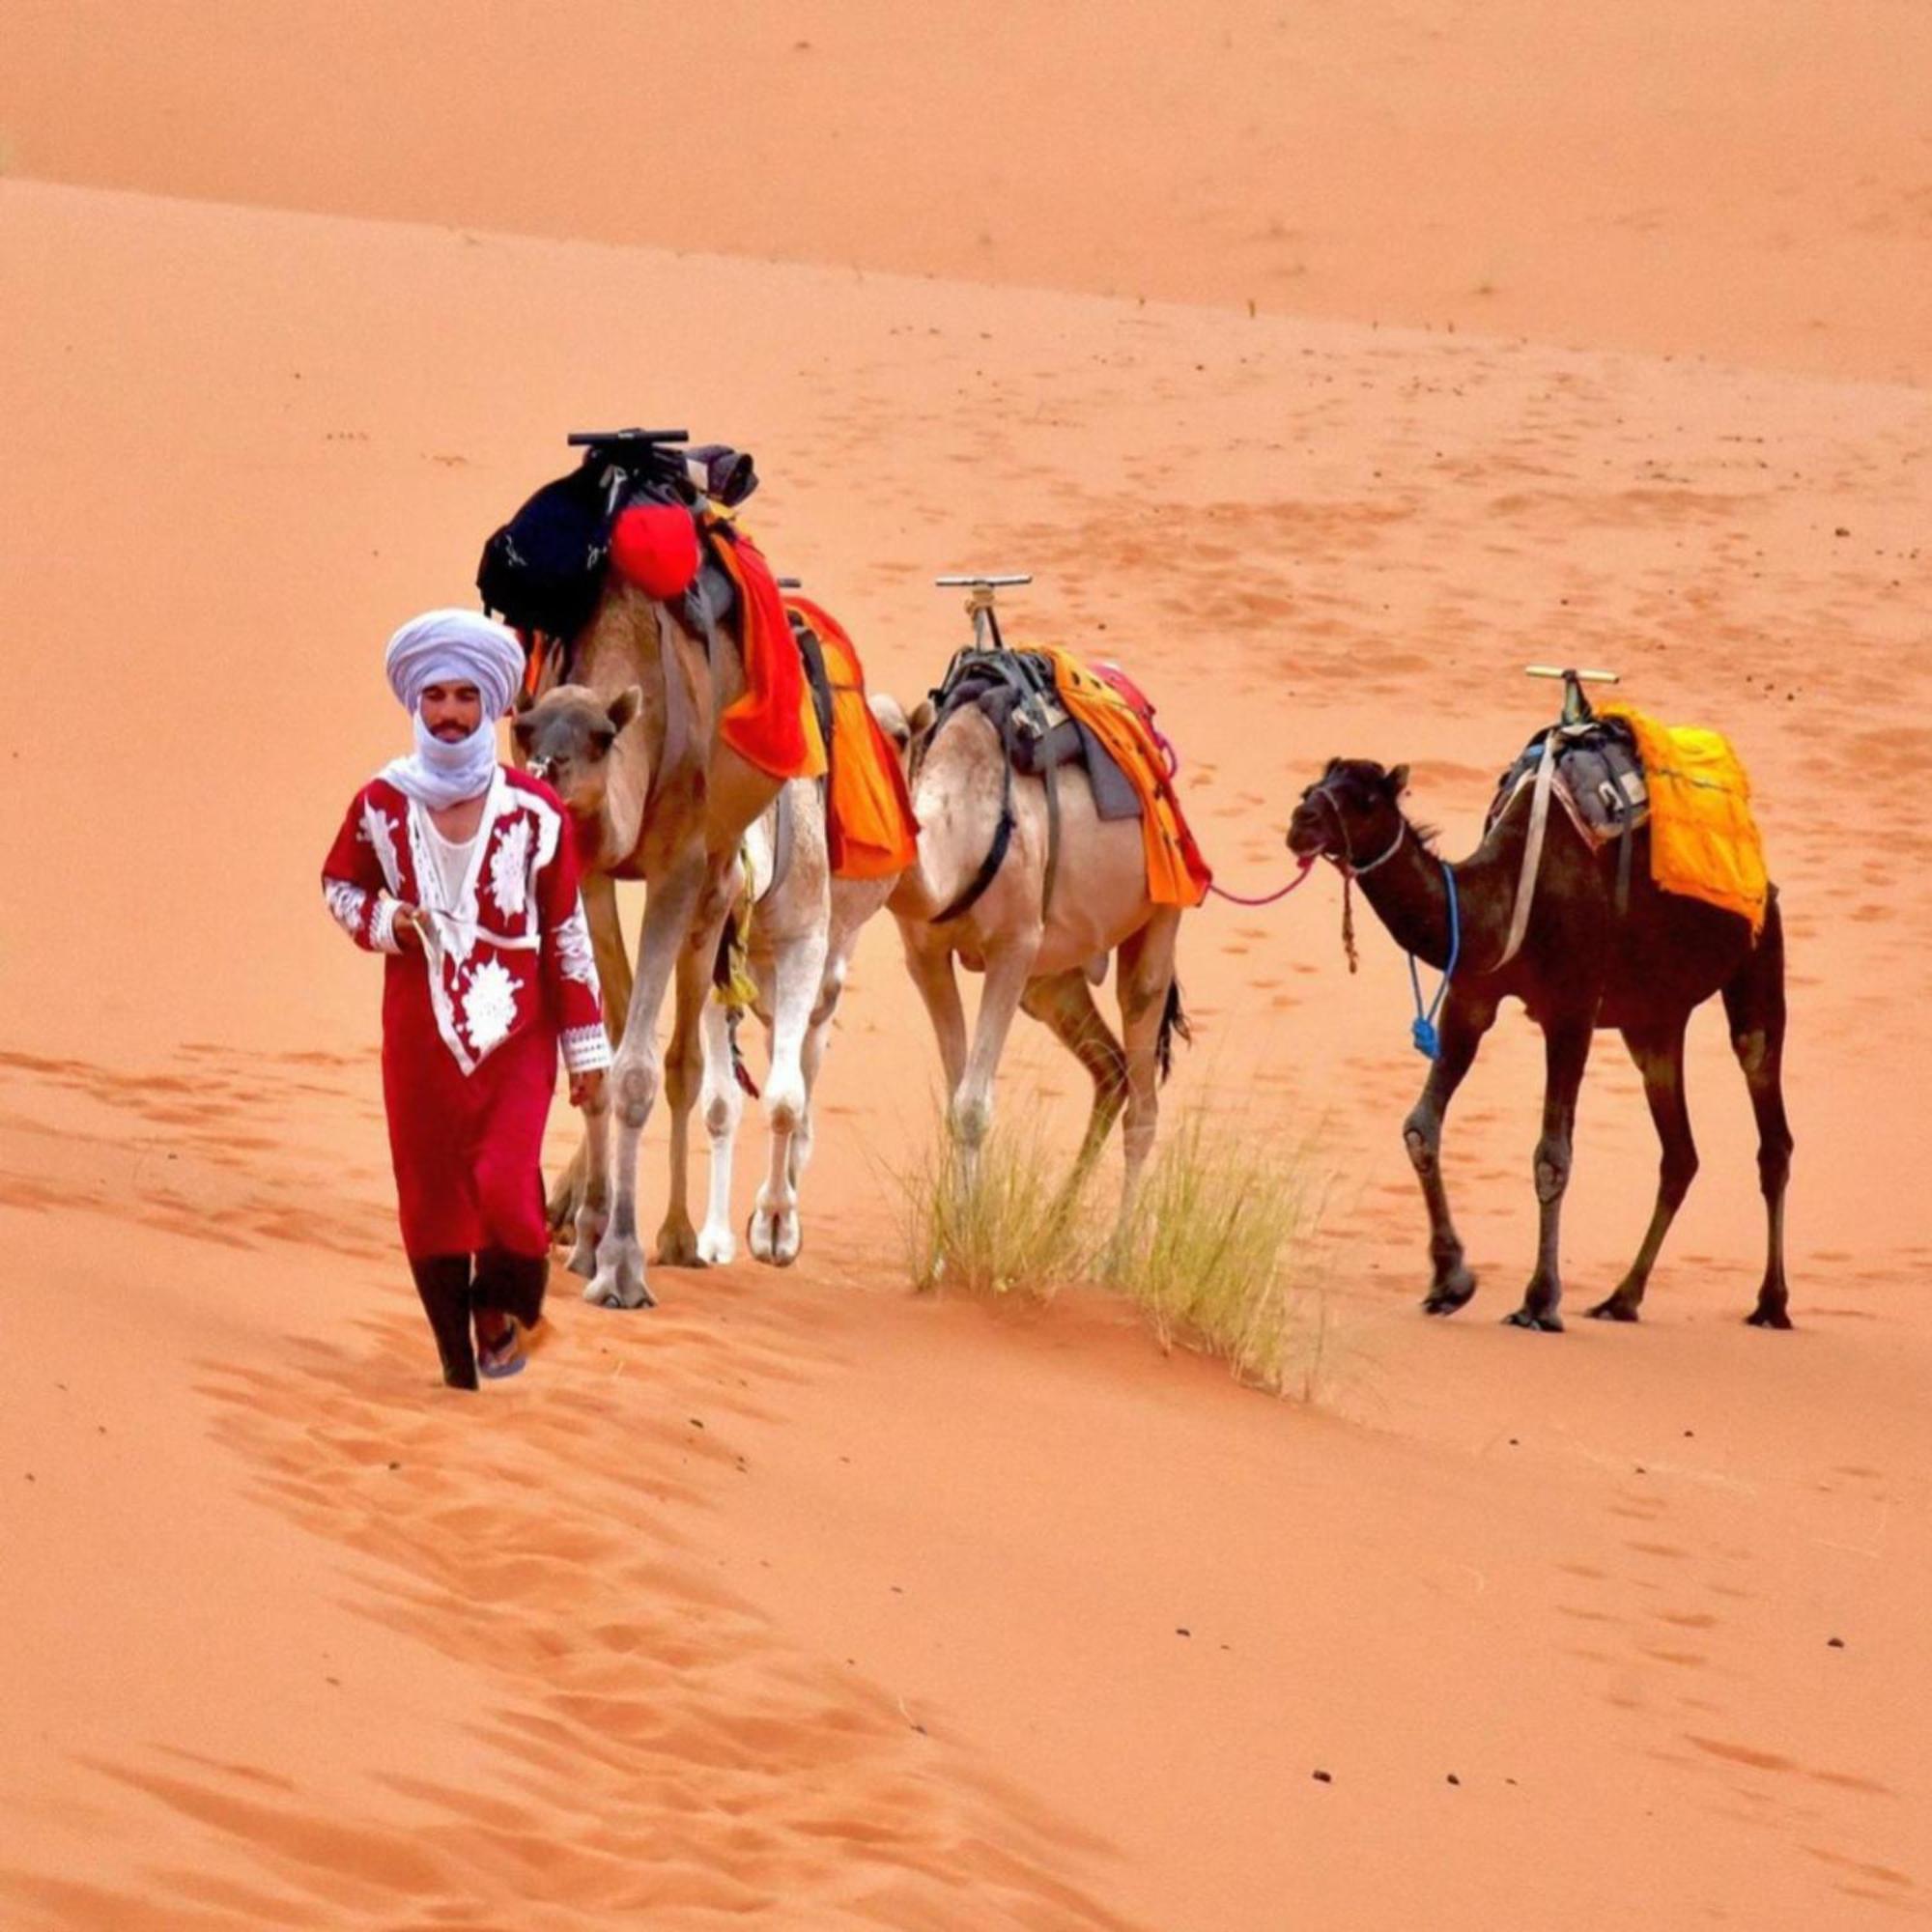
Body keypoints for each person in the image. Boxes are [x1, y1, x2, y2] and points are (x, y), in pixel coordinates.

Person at [321, 609, 611, 1387]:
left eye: (464, 698)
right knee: (429, 1195)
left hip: (516, 1031)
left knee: (510, 1191)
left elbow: (568, 935)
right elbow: (340, 885)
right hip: (417, 1034)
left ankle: (501, 1313)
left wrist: (587, 1051)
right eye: (435, 697)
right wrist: (388, 920)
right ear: (417, 705)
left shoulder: (537, 813)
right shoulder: (381, 802)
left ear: (491, 706)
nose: (449, 713)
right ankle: (458, 1370)